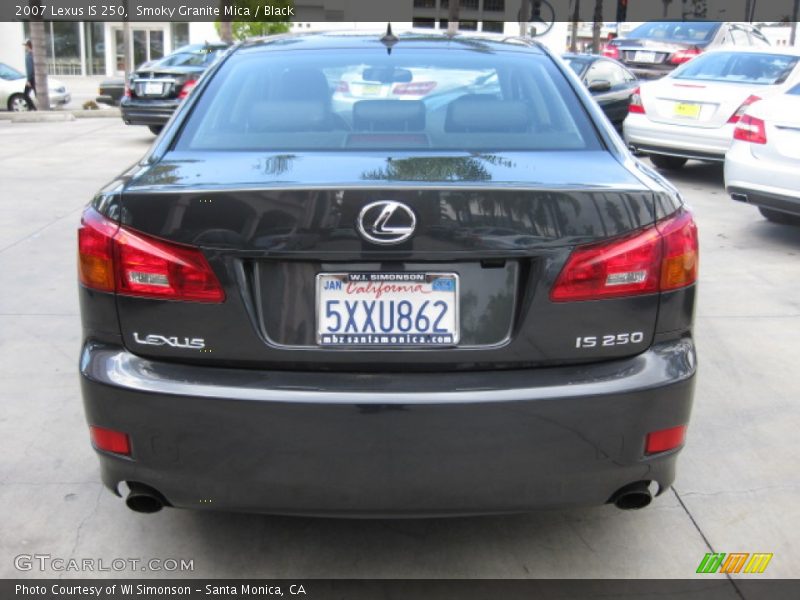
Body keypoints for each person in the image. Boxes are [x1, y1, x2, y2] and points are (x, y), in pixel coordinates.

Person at [23, 39, 37, 110]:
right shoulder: (34, 55)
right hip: (35, 77)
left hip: (31, 78)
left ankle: (33, 108)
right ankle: (34, 108)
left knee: (25, 95)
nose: (25, 47)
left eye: (25, 46)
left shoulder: (29, 56)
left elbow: (30, 69)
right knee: (36, 94)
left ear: (28, 46)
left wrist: (28, 80)